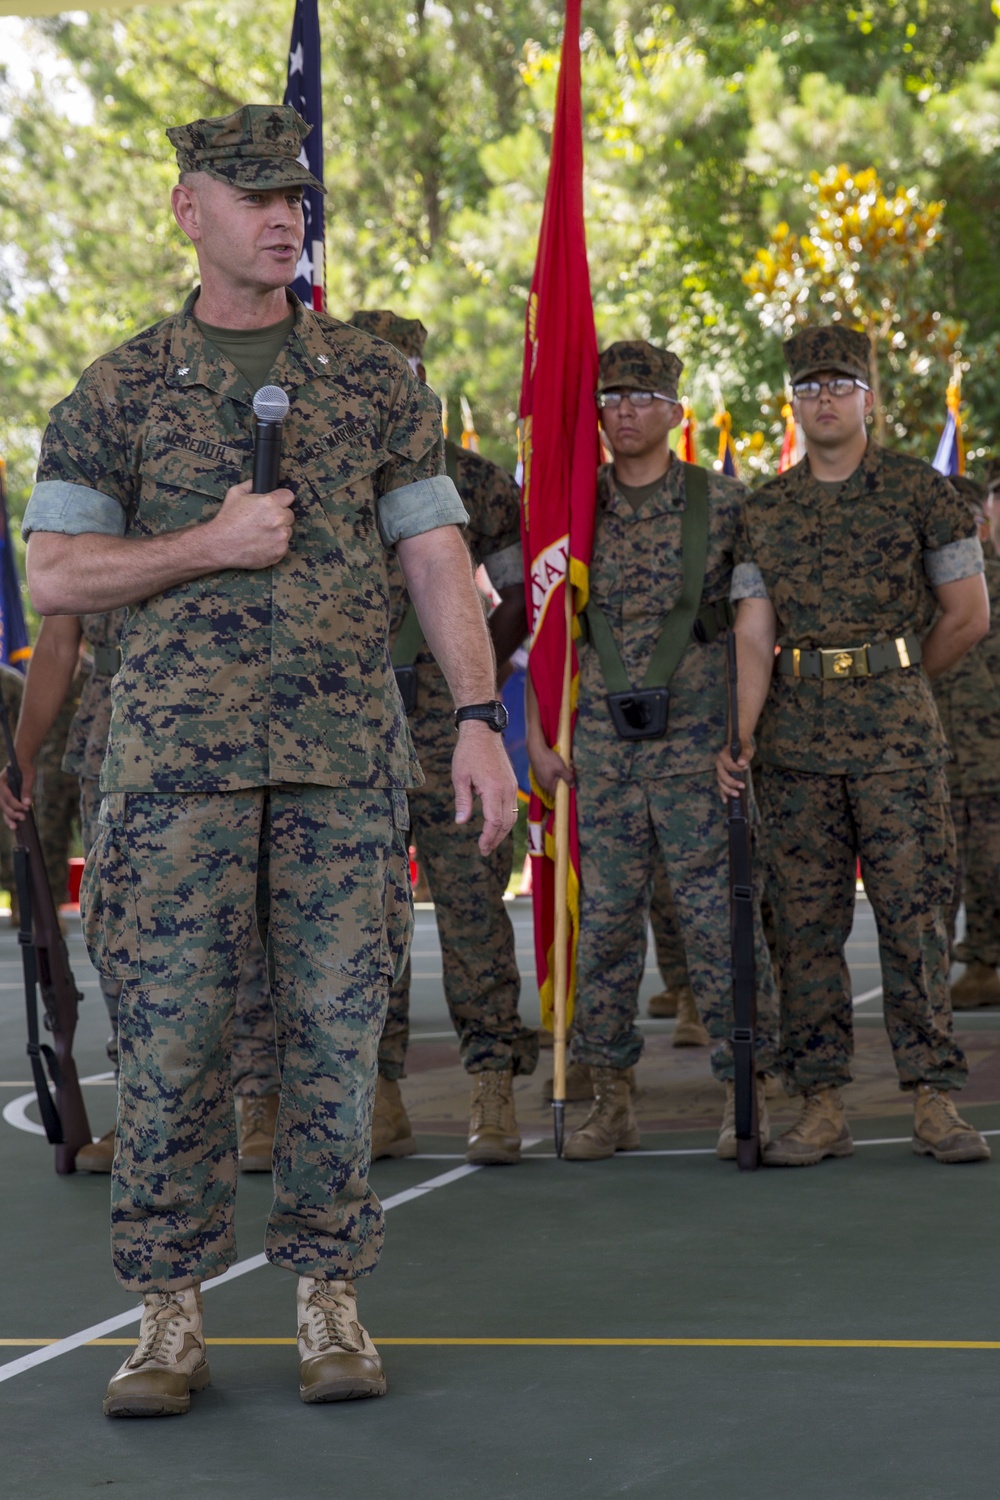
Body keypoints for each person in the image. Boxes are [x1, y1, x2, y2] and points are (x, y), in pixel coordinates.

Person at [20, 103, 517, 1418]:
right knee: (174, 1046)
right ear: (189, 211)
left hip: (339, 765)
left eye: (293, 191)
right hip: (171, 778)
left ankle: (327, 1302)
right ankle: (167, 1321)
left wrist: (479, 718)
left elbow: (436, 559)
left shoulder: (372, 381)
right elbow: (57, 573)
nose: (281, 214)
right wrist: (206, 544)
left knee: (336, 1038)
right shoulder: (118, 388)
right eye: (249, 195)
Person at [718, 325, 991, 1167]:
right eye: (809, 386)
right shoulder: (766, 509)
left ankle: (936, 1101)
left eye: (840, 384)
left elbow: (967, 615)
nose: (824, 398)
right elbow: (754, 635)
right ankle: (821, 1104)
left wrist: (898, 676)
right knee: (804, 927)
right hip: (797, 745)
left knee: (916, 920)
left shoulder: (923, 493)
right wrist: (742, 732)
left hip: (900, 742)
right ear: (792, 402)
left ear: (868, 397)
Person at [526, 339, 778, 1161]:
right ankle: (611, 1098)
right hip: (599, 750)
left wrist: (741, 735)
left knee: (718, 923)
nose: (623, 412)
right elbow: (542, 634)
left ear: (675, 411)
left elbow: (754, 629)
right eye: (609, 399)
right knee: (602, 929)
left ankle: (747, 1091)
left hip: (701, 745)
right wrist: (537, 735)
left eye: (641, 398)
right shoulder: (570, 510)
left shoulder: (729, 505)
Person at [349, 310, 537, 1166]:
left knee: (472, 911)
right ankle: (380, 1097)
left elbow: (520, 594)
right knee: (363, 923)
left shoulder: (479, 483)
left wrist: (476, 690)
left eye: (406, 369)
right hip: (351, 734)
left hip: (449, 733)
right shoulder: (316, 475)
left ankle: (492, 1087)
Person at [0, 612, 281, 1174]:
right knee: (117, 928)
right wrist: (23, 754)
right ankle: (143, 1109)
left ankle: (259, 1098)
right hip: (114, 731)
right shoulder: (81, 525)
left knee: (240, 926)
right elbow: (57, 642)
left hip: (221, 720)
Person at [933, 470, 1000, 1009]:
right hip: (934, 762)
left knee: (990, 870)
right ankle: (935, 969)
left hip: (992, 762)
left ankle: (984, 962)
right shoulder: (920, 592)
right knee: (932, 875)